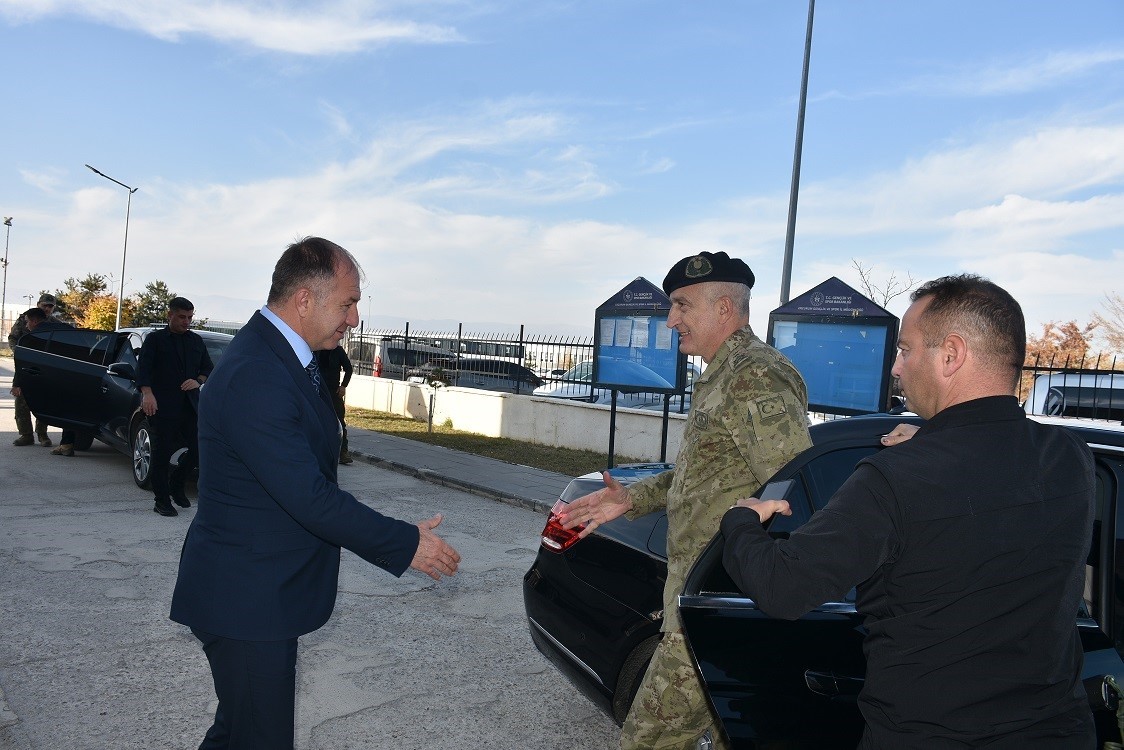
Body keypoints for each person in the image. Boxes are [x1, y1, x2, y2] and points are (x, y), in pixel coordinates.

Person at [721, 274, 1096, 749]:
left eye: (906, 349)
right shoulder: (1071, 457)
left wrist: (741, 520)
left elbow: (782, 588)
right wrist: (936, 440)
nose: (896, 368)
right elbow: (991, 475)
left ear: (951, 354)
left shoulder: (894, 478)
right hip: (1059, 733)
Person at [170, 236, 460, 750]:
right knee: (257, 738)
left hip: (254, 598)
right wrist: (403, 543)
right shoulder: (259, 372)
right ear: (305, 299)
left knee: (238, 732)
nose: (353, 319)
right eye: (347, 304)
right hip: (246, 603)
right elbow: (309, 496)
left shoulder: (280, 356)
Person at [561, 251, 812, 750]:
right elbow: (705, 477)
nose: (671, 319)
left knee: (648, 739)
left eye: (681, 306)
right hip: (706, 596)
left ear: (723, 309)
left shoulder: (753, 377)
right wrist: (630, 498)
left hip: (718, 600)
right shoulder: (723, 374)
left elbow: (792, 488)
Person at [137, 297, 214, 517]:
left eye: (190, 317)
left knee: (198, 450)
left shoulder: (196, 341)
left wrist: (198, 380)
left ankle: (176, 485)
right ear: (170, 315)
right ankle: (161, 500)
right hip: (162, 406)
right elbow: (143, 370)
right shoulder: (155, 340)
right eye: (182, 317)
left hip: (190, 406)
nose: (187, 321)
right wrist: (147, 394)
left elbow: (207, 368)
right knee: (162, 454)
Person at [10, 306, 79, 454]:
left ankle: (49, 437)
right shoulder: (62, 328)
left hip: (45, 379)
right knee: (68, 410)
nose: (26, 325)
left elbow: (23, 364)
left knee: (44, 406)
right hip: (70, 377)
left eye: (28, 322)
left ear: (34, 321)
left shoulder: (35, 337)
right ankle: (66, 444)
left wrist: (17, 384)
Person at [8, 293, 59, 447]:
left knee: (43, 401)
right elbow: (13, 337)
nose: (48, 308)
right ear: (38, 304)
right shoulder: (25, 319)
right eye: (45, 305)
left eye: (50, 306)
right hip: (24, 365)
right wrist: (19, 352)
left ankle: (42, 434)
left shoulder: (54, 323)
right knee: (21, 401)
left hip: (43, 369)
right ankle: (26, 435)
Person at [315, 343, 353, 464]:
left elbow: (348, 369)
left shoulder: (338, 351)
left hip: (333, 392)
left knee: (340, 422)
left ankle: (343, 452)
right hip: (318, 391)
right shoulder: (316, 349)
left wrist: (343, 386)